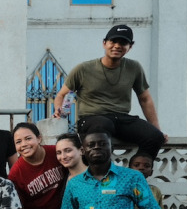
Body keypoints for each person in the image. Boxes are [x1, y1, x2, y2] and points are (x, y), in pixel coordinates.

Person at [53, 24, 167, 159]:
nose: (117, 46)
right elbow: (62, 94)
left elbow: (145, 99)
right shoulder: (84, 69)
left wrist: (156, 129)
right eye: (113, 41)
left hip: (121, 118)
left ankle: (135, 174)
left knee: (155, 137)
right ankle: (99, 174)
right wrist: (59, 110)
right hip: (91, 119)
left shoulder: (134, 67)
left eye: (123, 42)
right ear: (104, 43)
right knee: (103, 127)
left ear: (130, 47)